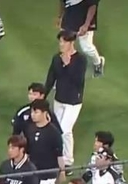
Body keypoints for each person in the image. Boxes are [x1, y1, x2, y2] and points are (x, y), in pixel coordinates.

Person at [46, 30, 88, 172]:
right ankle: (58, 157)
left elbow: (78, 81)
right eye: (60, 41)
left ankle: (68, 161)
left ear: (71, 43)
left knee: (65, 130)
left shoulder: (80, 60)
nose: (61, 44)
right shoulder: (56, 58)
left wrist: (68, 65)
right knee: (57, 129)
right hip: (59, 99)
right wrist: (42, 96)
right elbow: (51, 78)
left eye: (64, 41)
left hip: (74, 101)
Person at [58, 0, 105, 77]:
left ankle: (98, 62)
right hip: (69, 17)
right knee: (65, 44)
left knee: (86, 47)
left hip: (84, 19)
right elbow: (62, 2)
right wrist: (61, 17)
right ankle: (64, 69)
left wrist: (86, 24)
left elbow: (93, 5)